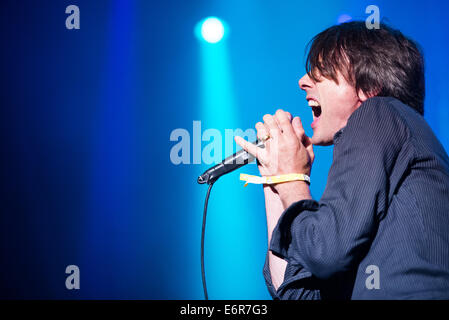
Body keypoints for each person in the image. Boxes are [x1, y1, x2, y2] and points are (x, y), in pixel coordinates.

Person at [235, 21, 449, 299]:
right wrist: (276, 178)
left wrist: (292, 180)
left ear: (369, 87)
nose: (303, 81)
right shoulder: (386, 169)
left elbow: (324, 250)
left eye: (321, 71)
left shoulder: (379, 112)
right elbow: (294, 293)